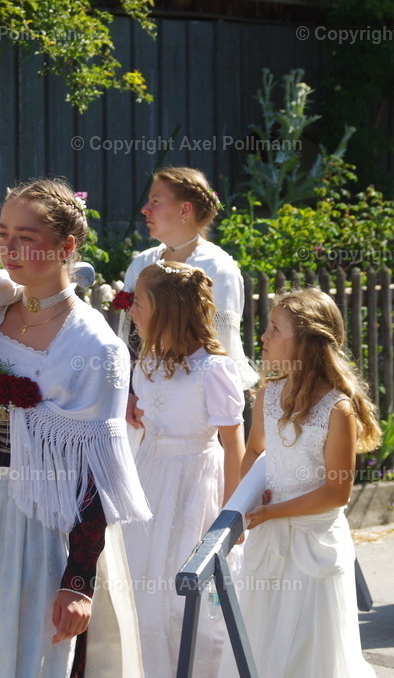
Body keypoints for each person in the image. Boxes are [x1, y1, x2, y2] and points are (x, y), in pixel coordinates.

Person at [0, 178, 151, 678]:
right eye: (2, 233)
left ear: (66, 247)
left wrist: (78, 582)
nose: (8, 247)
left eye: (26, 236)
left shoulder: (94, 348)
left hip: (38, 524)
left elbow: (94, 478)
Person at [217, 287, 380, 678]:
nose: (263, 336)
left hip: (313, 544)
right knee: (261, 638)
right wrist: (251, 493)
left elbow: (336, 491)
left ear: (304, 342)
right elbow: (255, 451)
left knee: (310, 648)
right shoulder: (268, 394)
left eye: (274, 328)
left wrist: (272, 510)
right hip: (268, 535)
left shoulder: (337, 409)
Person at [121, 261, 245, 678]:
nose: (130, 309)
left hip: (195, 484)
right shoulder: (149, 360)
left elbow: (234, 445)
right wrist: (138, 408)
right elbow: (153, 405)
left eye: (138, 302)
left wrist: (231, 513)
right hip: (149, 476)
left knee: (183, 593)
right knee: (139, 580)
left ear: (166, 310)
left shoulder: (213, 369)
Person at [119, 167, 258, 427]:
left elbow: (219, 346)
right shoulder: (142, 263)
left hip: (195, 407)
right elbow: (129, 337)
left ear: (185, 210)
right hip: (144, 400)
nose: (145, 209)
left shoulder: (218, 268)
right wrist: (129, 392)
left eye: (156, 202)